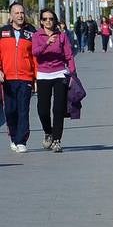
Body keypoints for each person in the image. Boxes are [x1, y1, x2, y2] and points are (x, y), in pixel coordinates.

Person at [32, 8, 75, 153]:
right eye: (45, 19)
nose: (48, 21)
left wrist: (73, 74)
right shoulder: (37, 35)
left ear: (54, 20)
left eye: (51, 19)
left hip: (59, 74)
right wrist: (47, 43)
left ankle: (57, 140)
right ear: (41, 21)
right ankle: (48, 132)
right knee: (42, 110)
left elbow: (69, 56)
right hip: (43, 75)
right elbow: (35, 52)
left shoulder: (62, 36)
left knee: (58, 109)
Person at [1, 2, 37, 153]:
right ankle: (13, 136)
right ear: (11, 16)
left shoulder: (31, 32)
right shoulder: (2, 32)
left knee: (23, 110)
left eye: (22, 12)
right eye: (16, 13)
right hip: (7, 78)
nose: (20, 15)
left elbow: (36, 57)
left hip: (25, 78)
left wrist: (36, 79)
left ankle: (21, 140)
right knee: (10, 110)